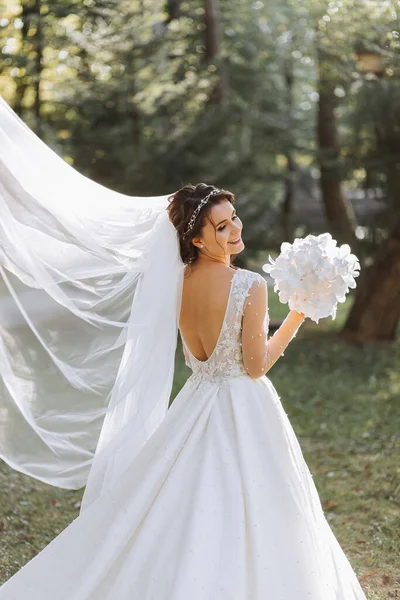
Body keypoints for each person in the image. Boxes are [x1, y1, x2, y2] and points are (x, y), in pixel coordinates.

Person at [0, 99, 367, 598]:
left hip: (194, 402)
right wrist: (298, 315)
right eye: (222, 226)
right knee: (259, 505)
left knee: (175, 500)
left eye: (234, 219)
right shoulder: (249, 285)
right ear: (195, 237)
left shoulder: (173, 283)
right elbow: (255, 367)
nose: (235, 229)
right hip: (243, 405)